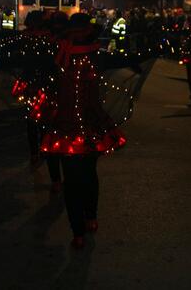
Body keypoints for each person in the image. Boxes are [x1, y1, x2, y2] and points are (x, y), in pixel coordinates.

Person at [40, 13, 126, 249]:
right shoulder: (97, 56)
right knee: (89, 174)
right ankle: (90, 218)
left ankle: (78, 231)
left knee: (73, 181)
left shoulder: (58, 54)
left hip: (66, 127)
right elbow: (124, 60)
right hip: (90, 125)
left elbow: (43, 77)